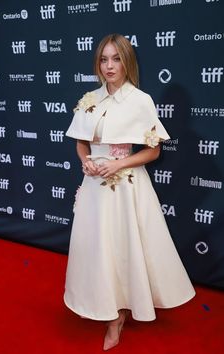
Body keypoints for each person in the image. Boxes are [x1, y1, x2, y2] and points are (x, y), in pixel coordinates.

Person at [63, 33, 195, 351]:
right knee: (98, 249)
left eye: (116, 58)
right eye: (104, 59)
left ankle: (118, 317)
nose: (109, 66)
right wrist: (87, 162)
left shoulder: (140, 100)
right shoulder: (89, 100)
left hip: (125, 187)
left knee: (123, 249)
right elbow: (81, 143)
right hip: (95, 186)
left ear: (127, 61)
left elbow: (152, 152)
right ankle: (107, 307)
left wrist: (118, 164)